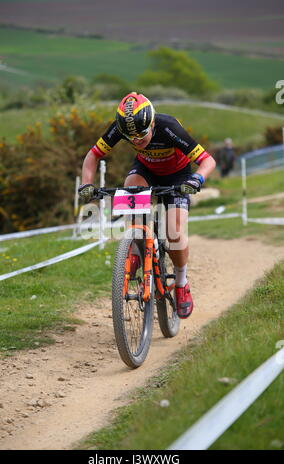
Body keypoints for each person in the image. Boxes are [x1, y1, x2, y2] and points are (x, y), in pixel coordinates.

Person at [79, 92, 216, 319]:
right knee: (130, 185)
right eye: (130, 137)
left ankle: (181, 282)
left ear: (152, 122)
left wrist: (197, 179)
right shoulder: (120, 127)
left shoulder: (169, 126)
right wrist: (87, 184)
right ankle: (135, 248)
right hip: (146, 171)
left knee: (174, 232)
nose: (137, 141)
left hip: (178, 177)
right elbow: (92, 155)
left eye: (142, 134)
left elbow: (207, 160)